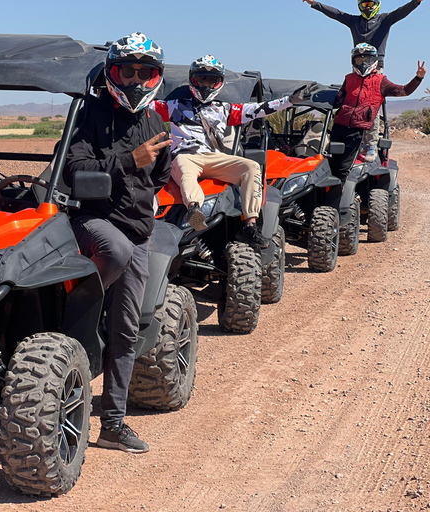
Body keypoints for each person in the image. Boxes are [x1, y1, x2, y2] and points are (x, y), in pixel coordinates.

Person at [64, 32, 171, 454]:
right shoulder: (90, 114)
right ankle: (77, 308)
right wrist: (129, 161)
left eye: (146, 73)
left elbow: (161, 175)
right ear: (113, 72)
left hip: (137, 231)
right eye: (128, 70)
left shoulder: (157, 123)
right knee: (116, 251)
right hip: (93, 221)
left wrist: (143, 168)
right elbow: (72, 167)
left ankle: (112, 425)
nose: (136, 80)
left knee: (126, 330)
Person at [152, 55, 314, 248]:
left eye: (212, 80)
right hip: (186, 155)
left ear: (219, 83)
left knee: (251, 167)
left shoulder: (224, 110)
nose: (206, 84)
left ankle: (250, 224)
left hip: (214, 157)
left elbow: (259, 109)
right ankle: (194, 210)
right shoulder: (174, 106)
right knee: (184, 168)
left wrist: (290, 100)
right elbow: (140, 105)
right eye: (201, 78)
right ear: (192, 80)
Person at [302, 0, 424, 159]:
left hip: (375, 68)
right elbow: (335, 13)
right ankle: (348, 139)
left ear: (377, 4)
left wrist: (416, 2)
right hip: (357, 65)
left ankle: (371, 144)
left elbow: (401, 12)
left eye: (370, 4)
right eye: (364, 4)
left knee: (371, 105)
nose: (368, 7)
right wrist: (314, 3)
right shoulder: (354, 21)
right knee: (351, 104)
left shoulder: (384, 20)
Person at [329, 43, 425, 178]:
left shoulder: (381, 81)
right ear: (353, 61)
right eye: (359, 60)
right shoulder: (349, 78)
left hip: (359, 130)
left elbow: (403, 91)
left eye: (366, 60)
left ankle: (342, 196)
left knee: (343, 168)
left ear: (373, 61)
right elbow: (338, 100)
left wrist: (418, 78)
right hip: (339, 126)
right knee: (330, 163)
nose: (362, 63)